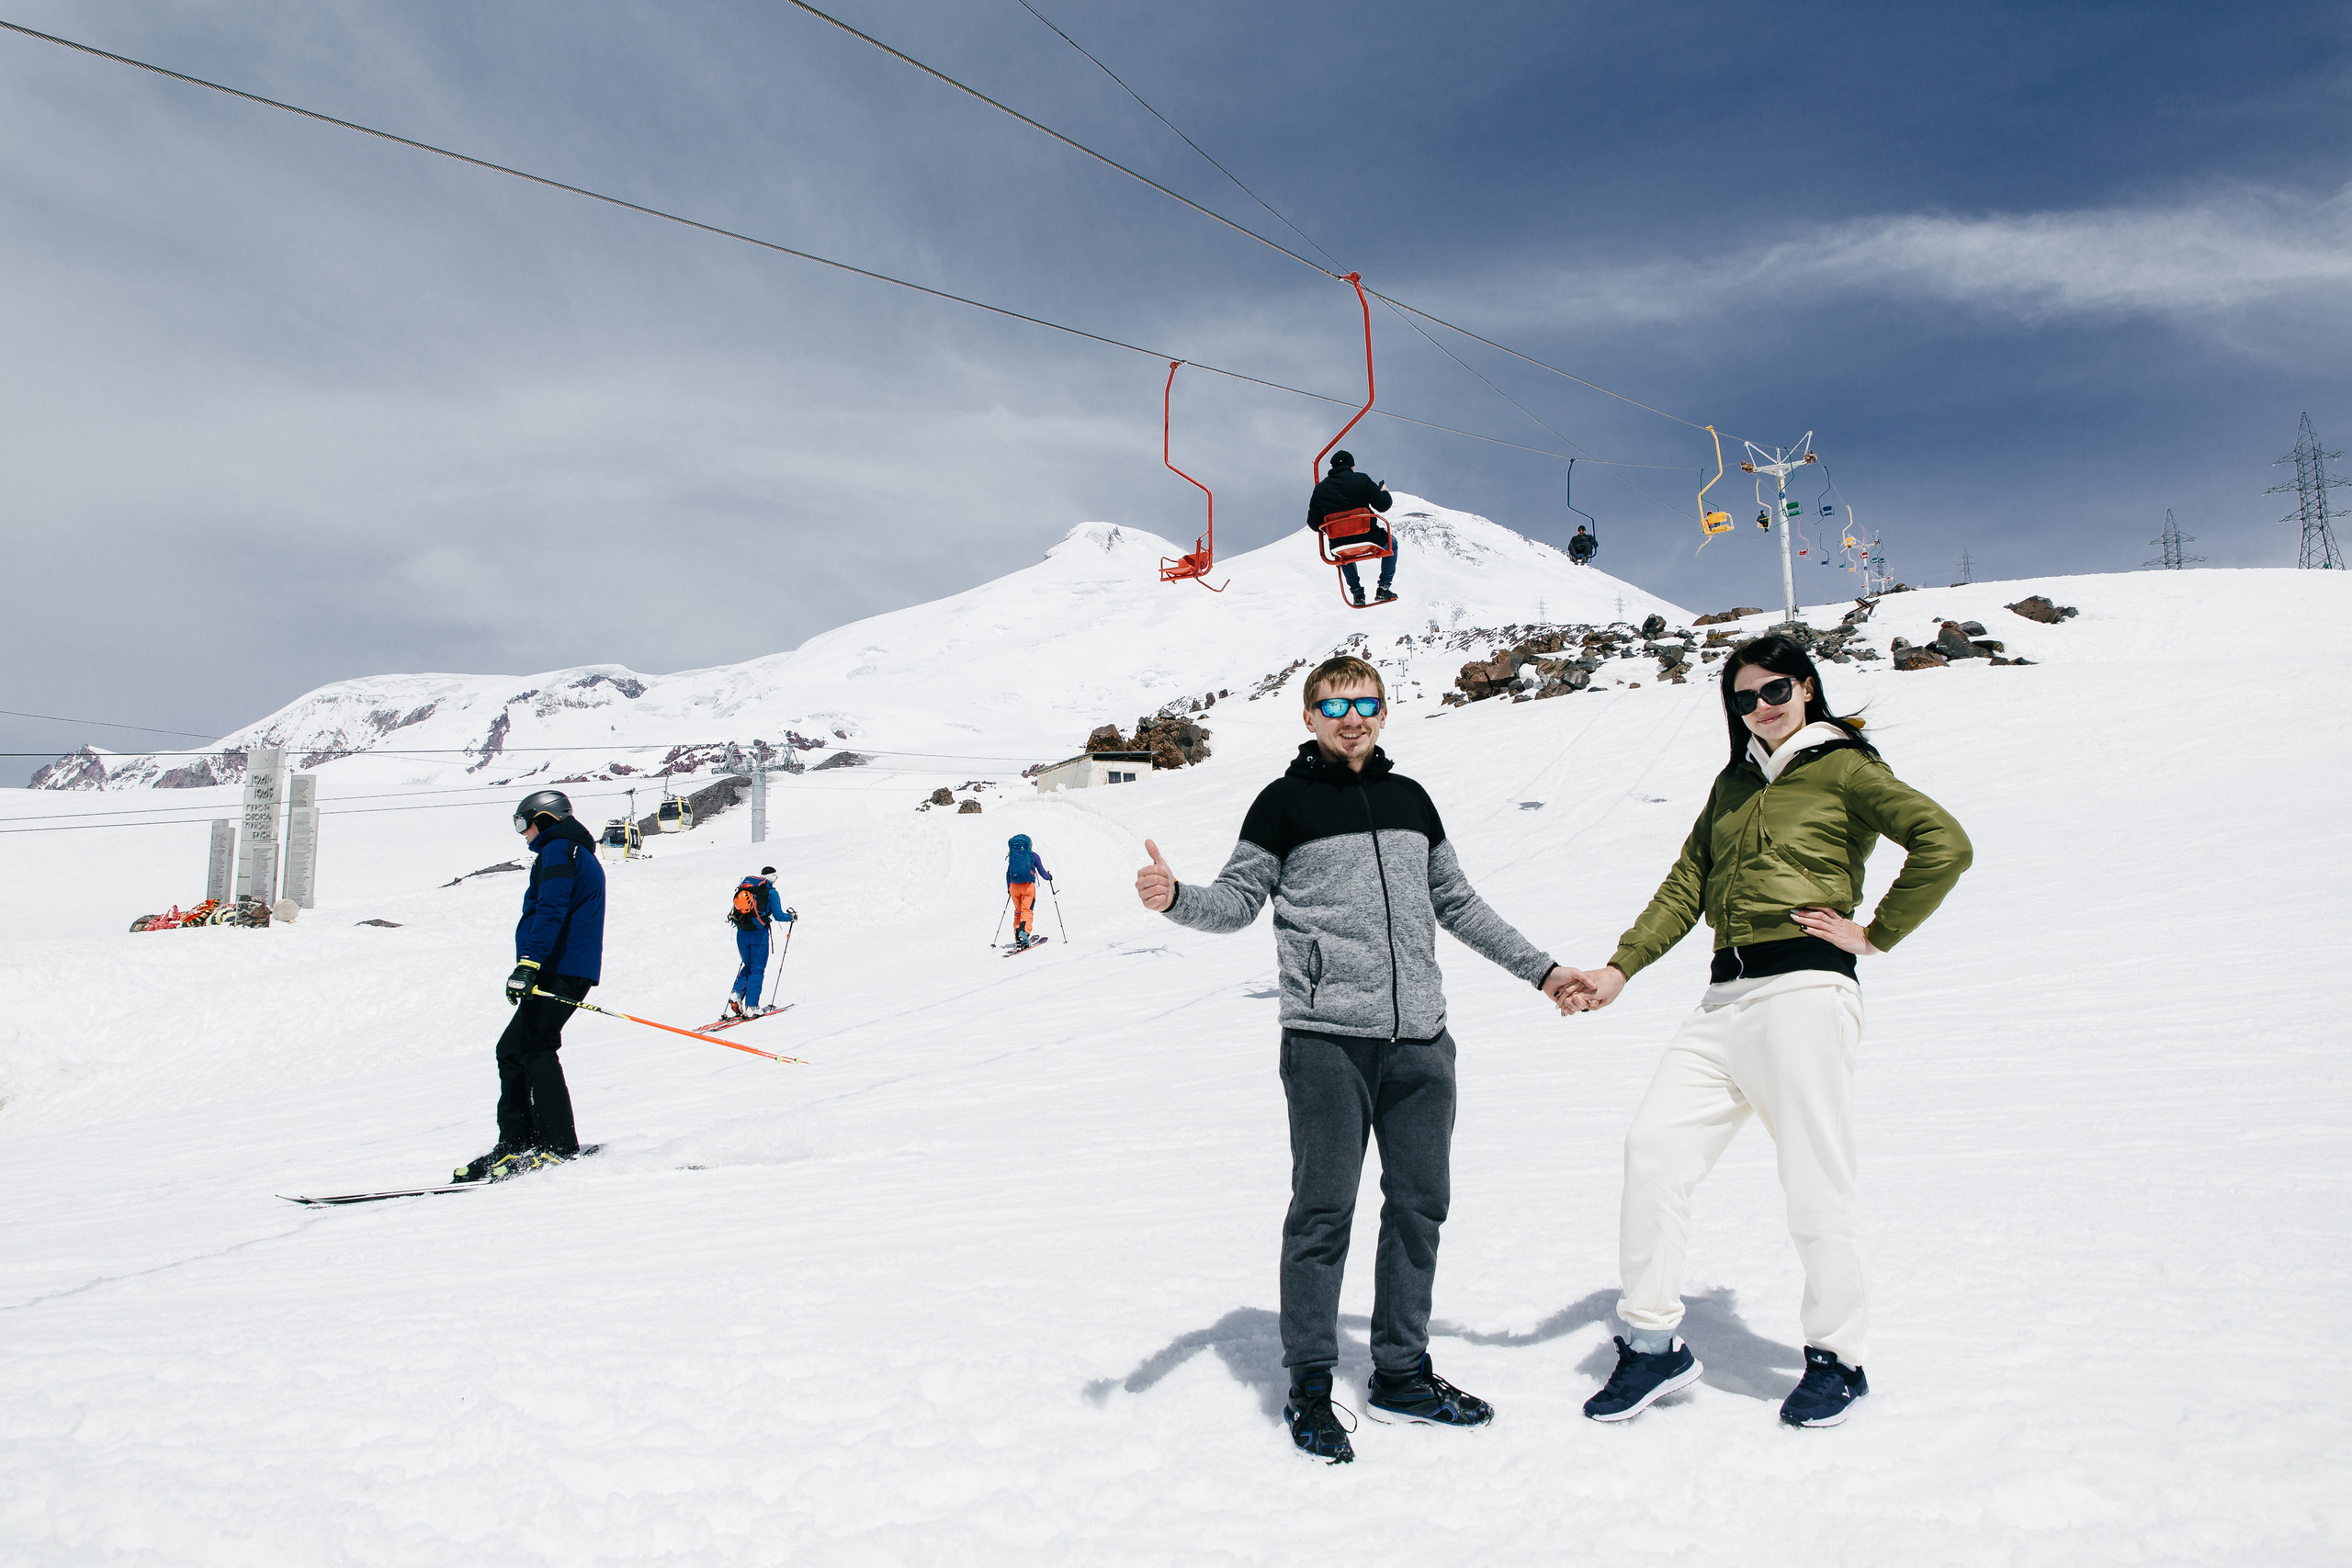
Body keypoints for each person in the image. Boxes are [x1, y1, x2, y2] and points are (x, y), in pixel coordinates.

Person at [1134, 654, 1580, 1463]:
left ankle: (1402, 1373)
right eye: (1334, 703)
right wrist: (1178, 899)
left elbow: (1457, 902)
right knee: (1323, 1212)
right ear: (1308, 716)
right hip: (1326, 1041)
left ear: (1382, 712)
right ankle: (1309, 1382)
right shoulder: (1283, 803)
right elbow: (1237, 900)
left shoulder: (1412, 801)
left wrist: (1543, 971)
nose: (1352, 716)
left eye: (1365, 702)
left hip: (1422, 1044)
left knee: (1419, 1206)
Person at [1554, 634, 1972, 1428]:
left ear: (1806, 688)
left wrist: (1877, 932)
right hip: (1723, 1000)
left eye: (1775, 690)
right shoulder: (1734, 783)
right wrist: (1619, 968)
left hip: (1805, 990)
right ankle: (1651, 1347)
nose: (1761, 707)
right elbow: (1686, 884)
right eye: (1743, 698)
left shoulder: (1845, 767)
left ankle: (1837, 1360)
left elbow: (1944, 843)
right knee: (1653, 1151)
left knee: (1815, 1176)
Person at [456, 789, 607, 1183]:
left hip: (561, 967)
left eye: (523, 823)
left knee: (534, 1047)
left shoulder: (560, 850)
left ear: (546, 818)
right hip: (560, 967)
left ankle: (555, 1145)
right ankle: (518, 1141)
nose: (522, 833)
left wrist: (529, 964)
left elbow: (551, 909)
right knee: (514, 1048)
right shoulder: (570, 851)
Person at [1306, 450, 1396, 606]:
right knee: (1391, 543)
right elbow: (1383, 505)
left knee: (1343, 556)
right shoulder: (1361, 479)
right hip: (1368, 535)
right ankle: (1383, 587)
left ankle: (1357, 594)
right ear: (1352, 466)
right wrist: (1384, 491)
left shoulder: (1320, 489)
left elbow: (1314, 523)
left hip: (1338, 543)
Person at [727, 865, 796, 1018]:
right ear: (772, 878)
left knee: (749, 965)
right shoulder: (771, 892)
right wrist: (791, 917)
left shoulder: (747, 889)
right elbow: (778, 915)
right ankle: (751, 1007)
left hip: (742, 932)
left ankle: (736, 993)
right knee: (757, 968)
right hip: (758, 934)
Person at [1005, 834, 1052, 948]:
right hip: (1027, 886)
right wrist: (1049, 877)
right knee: (1027, 911)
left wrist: (1009, 889)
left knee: (1018, 911)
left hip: (1014, 887)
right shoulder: (1033, 856)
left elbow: (1008, 874)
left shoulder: (1013, 857)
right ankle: (1024, 933)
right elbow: (1042, 873)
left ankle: (1018, 937)